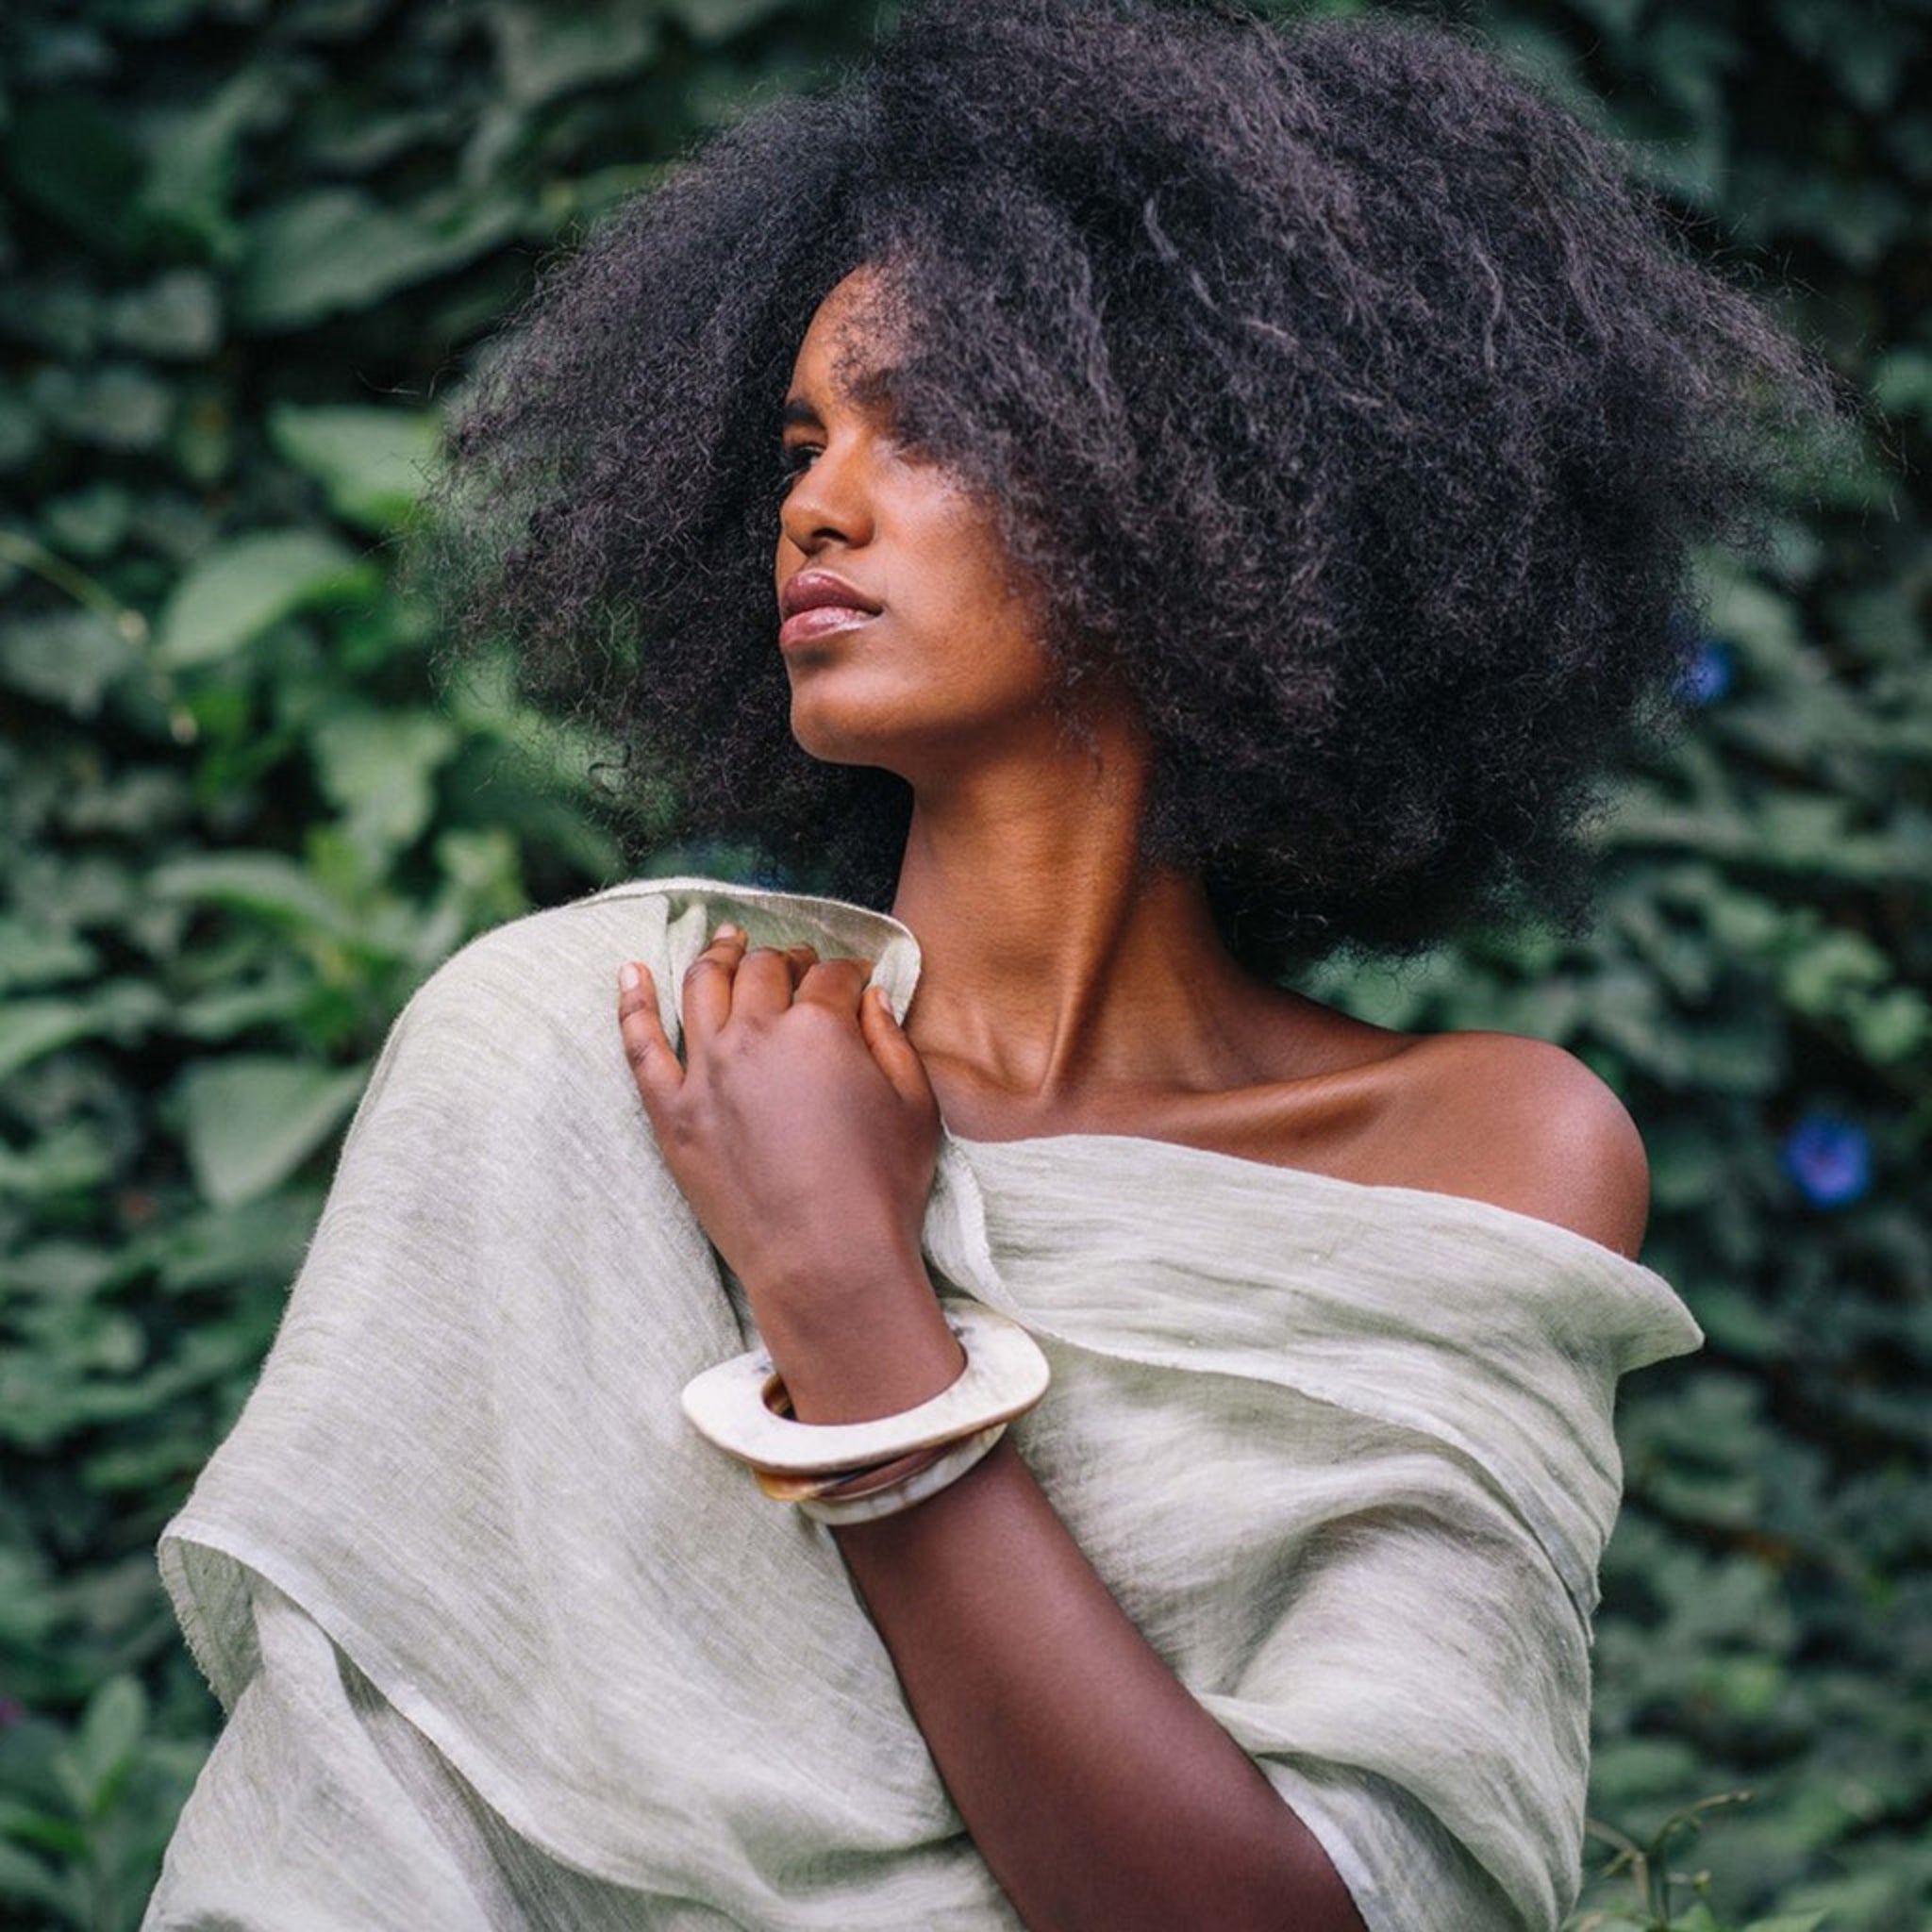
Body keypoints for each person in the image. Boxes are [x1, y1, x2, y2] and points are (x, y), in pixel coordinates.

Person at [144, 2, 1830, 1926]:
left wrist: (852, 1303)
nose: (813, 501)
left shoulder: (1484, 1142)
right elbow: (355, 1838)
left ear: (1218, 477)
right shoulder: (594, 1046)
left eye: (926, 422)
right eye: (798, 438)